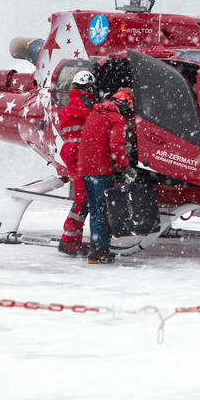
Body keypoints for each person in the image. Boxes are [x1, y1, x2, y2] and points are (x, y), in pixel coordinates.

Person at [77, 88, 137, 264]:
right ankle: (100, 250)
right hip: (102, 170)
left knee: (95, 208)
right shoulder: (116, 119)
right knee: (103, 210)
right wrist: (126, 168)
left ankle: (95, 249)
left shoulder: (94, 113)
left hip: (86, 169)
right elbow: (116, 147)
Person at [56, 70, 97, 257]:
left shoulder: (71, 104)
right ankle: (67, 240)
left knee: (84, 195)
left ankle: (74, 239)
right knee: (83, 196)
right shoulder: (85, 105)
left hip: (73, 151)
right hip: (79, 153)